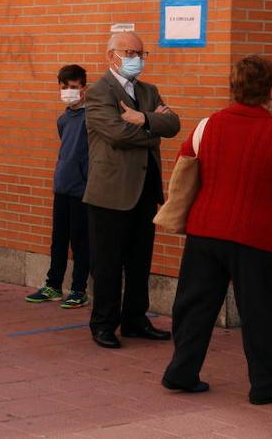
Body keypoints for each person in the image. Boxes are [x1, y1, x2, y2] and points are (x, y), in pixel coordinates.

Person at [162, 55, 272, 405]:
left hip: (205, 231)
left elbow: (186, 162)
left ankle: (181, 372)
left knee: (194, 306)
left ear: (233, 87)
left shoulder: (209, 124)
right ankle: (265, 385)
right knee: (258, 312)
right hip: (255, 237)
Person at [83, 31, 180, 349]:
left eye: (141, 53)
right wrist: (152, 128)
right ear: (111, 55)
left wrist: (142, 118)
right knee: (108, 263)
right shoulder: (99, 92)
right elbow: (116, 134)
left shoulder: (149, 91)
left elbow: (174, 125)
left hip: (144, 190)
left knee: (140, 262)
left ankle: (135, 319)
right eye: (130, 52)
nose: (136, 59)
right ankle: (103, 323)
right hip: (111, 192)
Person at [25, 64, 91, 309]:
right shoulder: (63, 119)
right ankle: (53, 285)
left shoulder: (91, 118)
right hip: (62, 187)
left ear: (83, 89)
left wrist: (85, 180)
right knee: (58, 239)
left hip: (82, 190)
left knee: (81, 241)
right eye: (64, 87)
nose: (68, 91)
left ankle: (78, 289)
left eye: (73, 87)